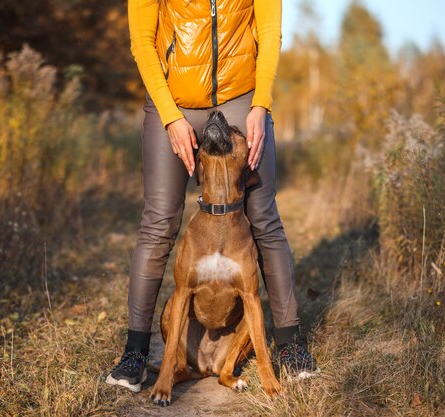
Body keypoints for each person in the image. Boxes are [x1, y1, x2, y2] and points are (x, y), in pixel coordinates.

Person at [106, 0, 319, 393]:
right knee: (158, 221)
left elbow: (269, 32)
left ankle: (290, 346)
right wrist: (170, 116)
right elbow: (143, 40)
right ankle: (135, 354)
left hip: (242, 96)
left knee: (264, 218)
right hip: (174, 98)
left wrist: (261, 104)